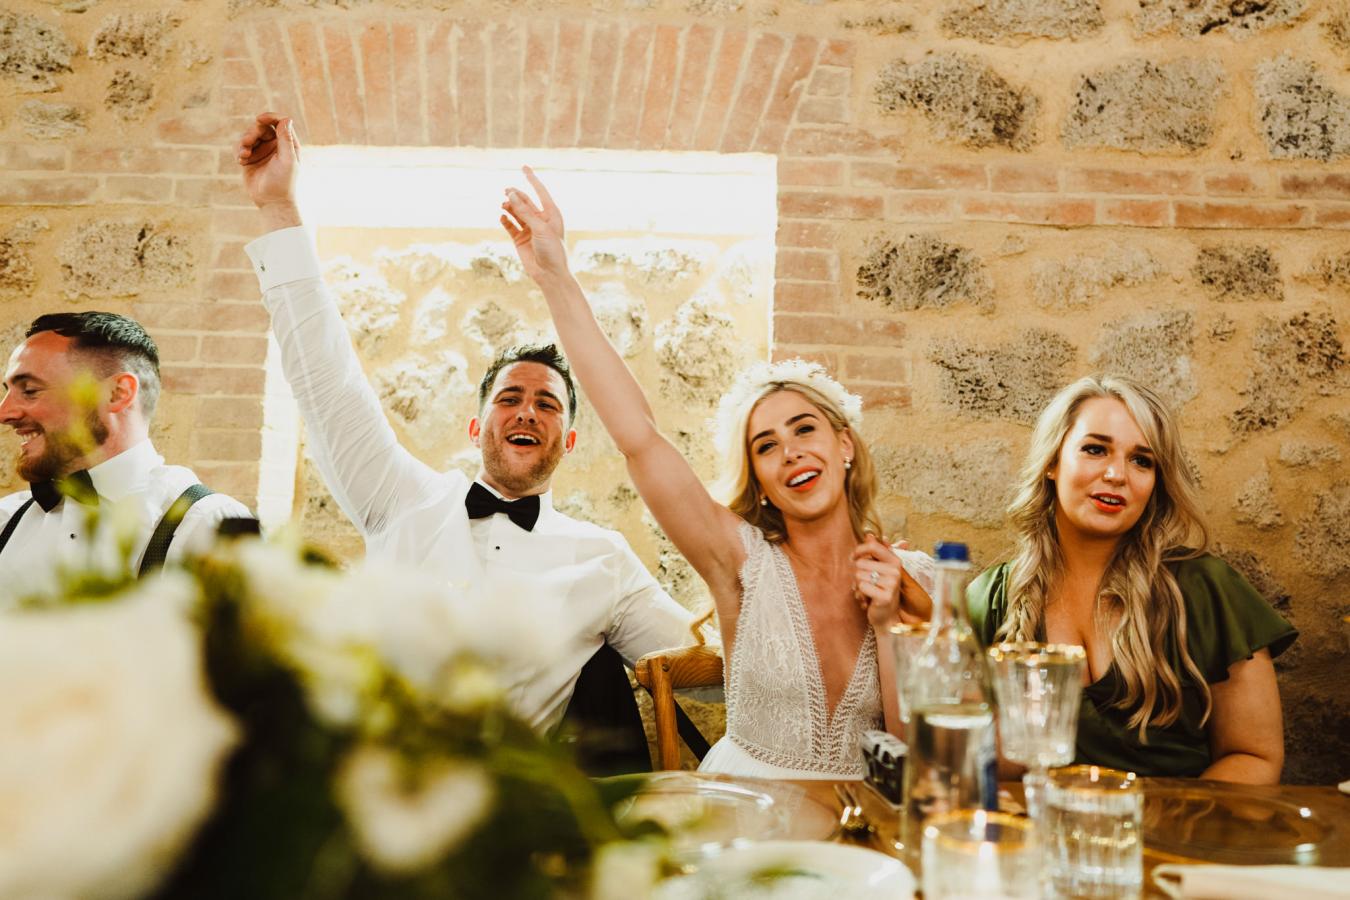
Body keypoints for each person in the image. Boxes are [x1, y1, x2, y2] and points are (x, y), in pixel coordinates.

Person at [235, 112, 694, 735]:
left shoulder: (603, 562)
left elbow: (709, 674)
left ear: (570, 441)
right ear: (477, 429)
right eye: (509, 398)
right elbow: (325, 382)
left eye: (548, 404)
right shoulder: (397, 499)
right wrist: (278, 208)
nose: (527, 409)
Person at [499, 170, 934, 779]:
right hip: (747, 823)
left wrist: (890, 624)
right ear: (758, 477)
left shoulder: (915, 579)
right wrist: (556, 279)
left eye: (805, 429)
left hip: (861, 833)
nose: (791, 452)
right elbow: (639, 437)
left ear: (844, 446)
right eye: (766, 445)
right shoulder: (739, 559)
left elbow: (922, 762)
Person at [967, 375, 1296, 784]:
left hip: (1176, 837)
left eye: (1142, 460)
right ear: (1052, 462)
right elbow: (971, 760)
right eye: (1095, 449)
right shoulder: (992, 598)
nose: (1116, 474)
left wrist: (1158, 831)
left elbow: (1255, 757)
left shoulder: (1204, 589)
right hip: (1038, 835)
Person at [0, 312, 253, 600]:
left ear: (118, 393)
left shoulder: (209, 526)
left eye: (30, 390)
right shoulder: (5, 520)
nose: (5, 413)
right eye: (7, 392)